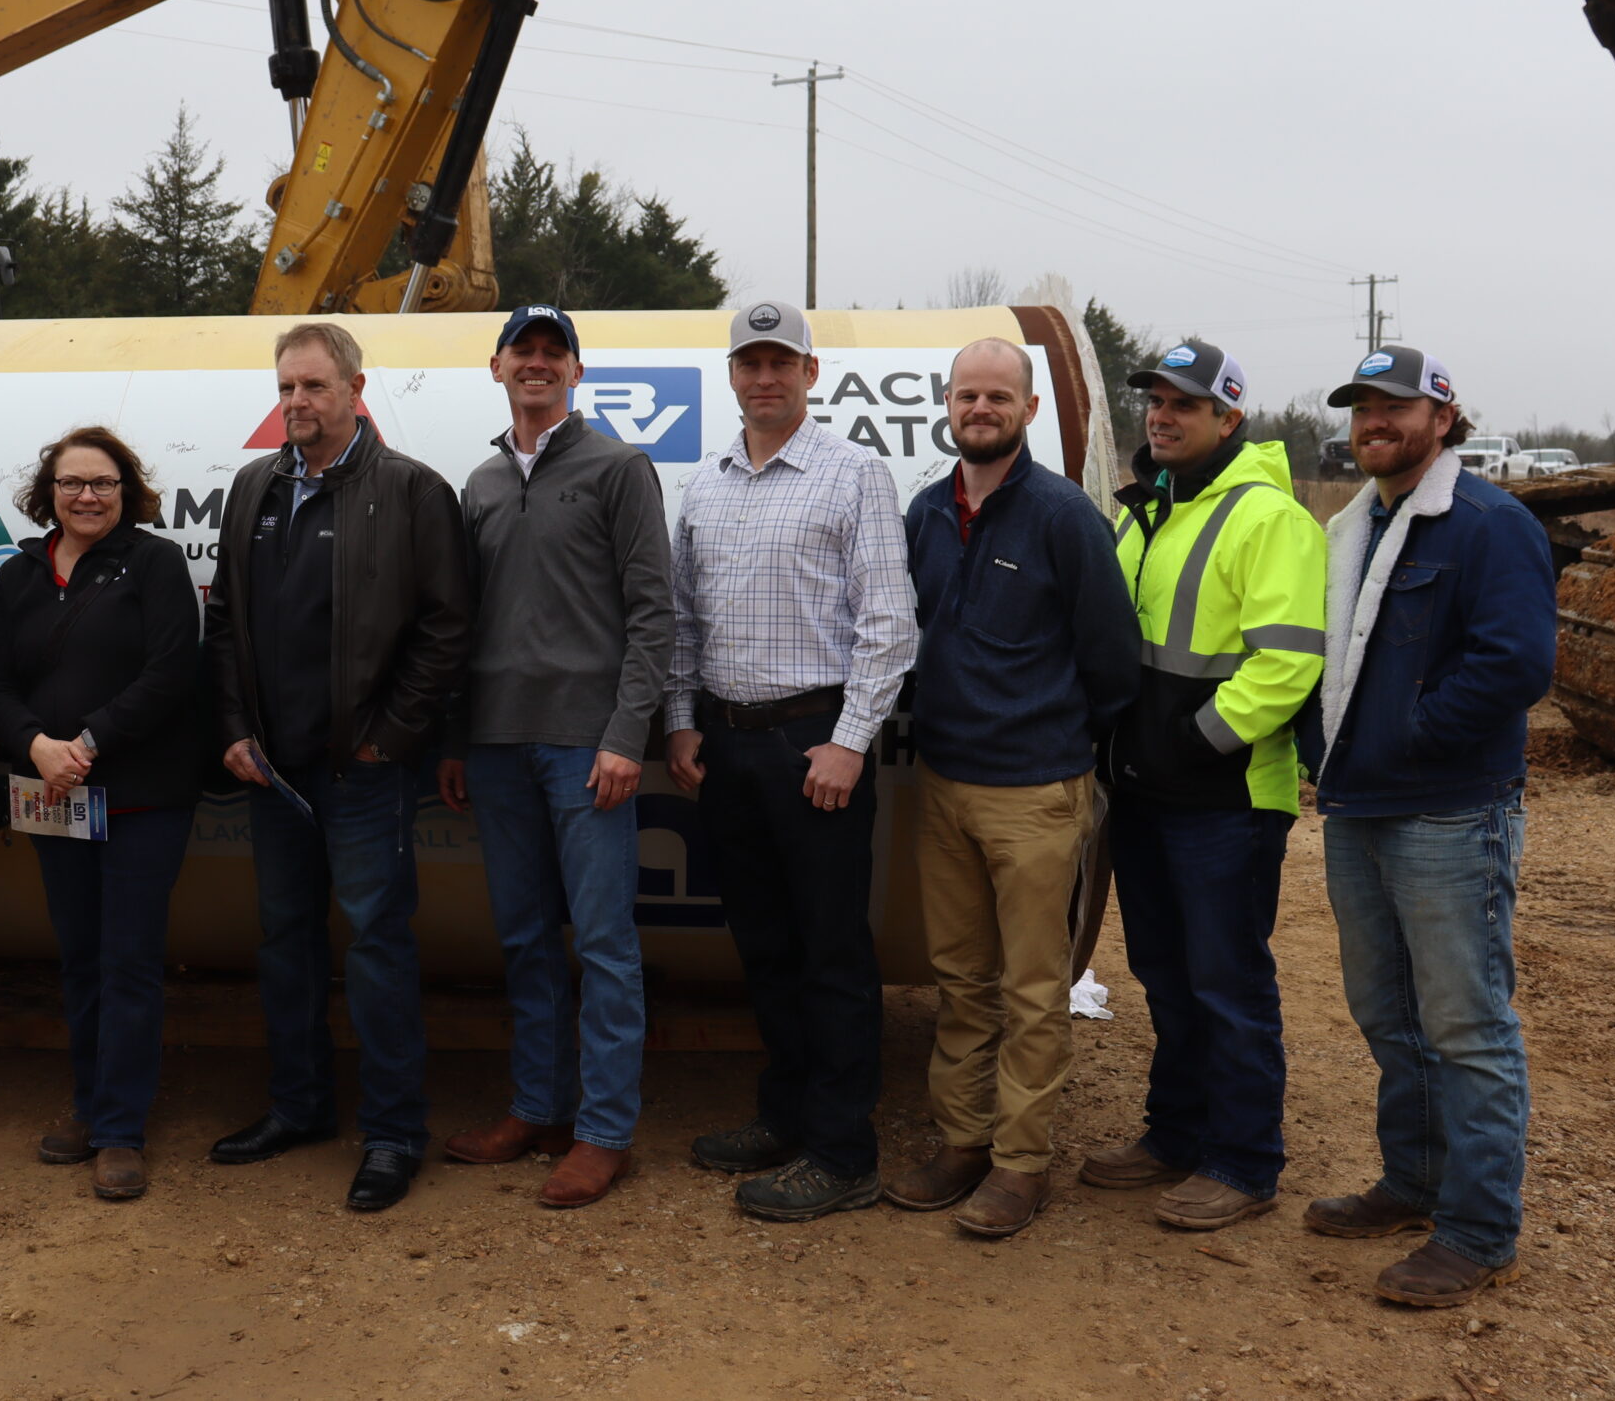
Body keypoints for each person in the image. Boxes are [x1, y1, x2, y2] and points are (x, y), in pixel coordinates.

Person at [1300, 348, 1555, 1306]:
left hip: (1449, 810)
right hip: (1357, 807)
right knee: (1387, 1013)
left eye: (1394, 405)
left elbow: (1517, 662)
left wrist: (1408, 739)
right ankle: (1412, 1182)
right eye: (1363, 406)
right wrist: (1323, 751)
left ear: (1442, 417)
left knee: (1466, 1024)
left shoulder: (1489, 524)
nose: (1375, 419)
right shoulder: (1352, 524)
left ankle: (1480, 1228)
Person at [202, 321, 471, 1213]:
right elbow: (227, 621)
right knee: (285, 945)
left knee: (379, 949)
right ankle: (300, 1107)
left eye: (314, 387)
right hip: (273, 773)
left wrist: (386, 737)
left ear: (357, 389)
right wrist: (236, 726)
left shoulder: (409, 490)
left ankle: (394, 1134)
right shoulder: (252, 488)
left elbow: (444, 630)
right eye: (285, 388)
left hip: (363, 772)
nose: (297, 404)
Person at [662, 302, 917, 1224]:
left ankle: (845, 1150)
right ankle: (787, 1114)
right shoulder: (708, 484)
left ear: (812, 373)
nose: (764, 377)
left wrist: (850, 742)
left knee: (832, 952)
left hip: (814, 746)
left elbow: (890, 625)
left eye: (782, 362)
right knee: (765, 947)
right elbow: (687, 621)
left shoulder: (855, 477)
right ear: (730, 376)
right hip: (728, 747)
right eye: (749, 363)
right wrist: (684, 721)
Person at [889, 338, 1138, 1236]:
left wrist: (1059, 742)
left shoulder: (1066, 517)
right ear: (947, 408)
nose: (980, 408)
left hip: (1035, 792)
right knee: (960, 980)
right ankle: (962, 1142)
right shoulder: (925, 513)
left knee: (1034, 987)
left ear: (1029, 409)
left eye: (998, 394)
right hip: (944, 786)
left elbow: (1113, 660)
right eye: (967, 395)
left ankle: (1020, 1162)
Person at [1084, 338, 1326, 1231]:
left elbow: (1288, 663)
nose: (1163, 414)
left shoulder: (1268, 518)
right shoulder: (1146, 509)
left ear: (1229, 417)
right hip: (1146, 790)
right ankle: (1175, 1133)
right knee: (1164, 975)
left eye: (1185, 403)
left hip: (1224, 797)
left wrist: (1195, 741)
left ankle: (1245, 1159)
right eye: (1155, 400)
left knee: (1227, 981)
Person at [435, 305, 672, 1210]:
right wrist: (457, 737)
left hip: (586, 747)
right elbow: (461, 625)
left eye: (552, 353)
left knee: (606, 944)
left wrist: (624, 738)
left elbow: (655, 615)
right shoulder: (483, 482)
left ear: (577, 369)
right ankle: (536, 1107)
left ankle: (603, 1131)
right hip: (496, 746)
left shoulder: (619, 467)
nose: (537, 365)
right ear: (496, 366)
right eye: (522, 352)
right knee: (526, 938)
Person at [0, 427, 205, 1202]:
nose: (86, 496)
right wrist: (36, 745)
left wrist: (90, 740)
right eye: (72, 483)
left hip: (141, 797)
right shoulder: (18, 576)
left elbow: (173, 670)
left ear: (127, 491)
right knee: (78, 956)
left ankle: (119, 1129)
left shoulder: (155, 564)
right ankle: (87, 1099)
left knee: (129, 960)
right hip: (53, 795)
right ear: (50, 493)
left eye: (103, 483)